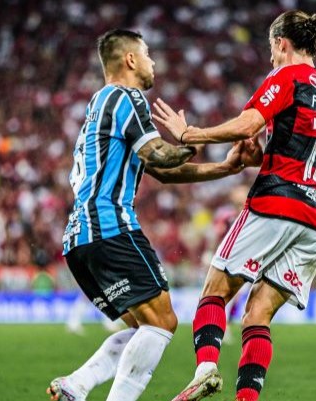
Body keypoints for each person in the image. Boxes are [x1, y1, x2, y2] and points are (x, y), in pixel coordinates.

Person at [47, 29, 255, 401]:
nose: (153, 62)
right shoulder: (126, 96)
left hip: (80, 239)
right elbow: (159, 155)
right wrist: (192, 136)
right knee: (163, 322)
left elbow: (162, 171)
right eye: (147, 54)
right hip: (110, 225)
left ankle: (76, 385)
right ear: (129, 59)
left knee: (147, 325)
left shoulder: (99, 105)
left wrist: (226, 168)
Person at [153, 10, 316, 401]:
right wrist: (259, 156)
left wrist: (191, 134)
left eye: (271, 49)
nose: (270, 58)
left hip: (277, 205)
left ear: (281, 43)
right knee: (258, 315)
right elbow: (302, 150)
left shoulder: (287, 76)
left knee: (214, 292)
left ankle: (205, 369)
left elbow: (247, 124)